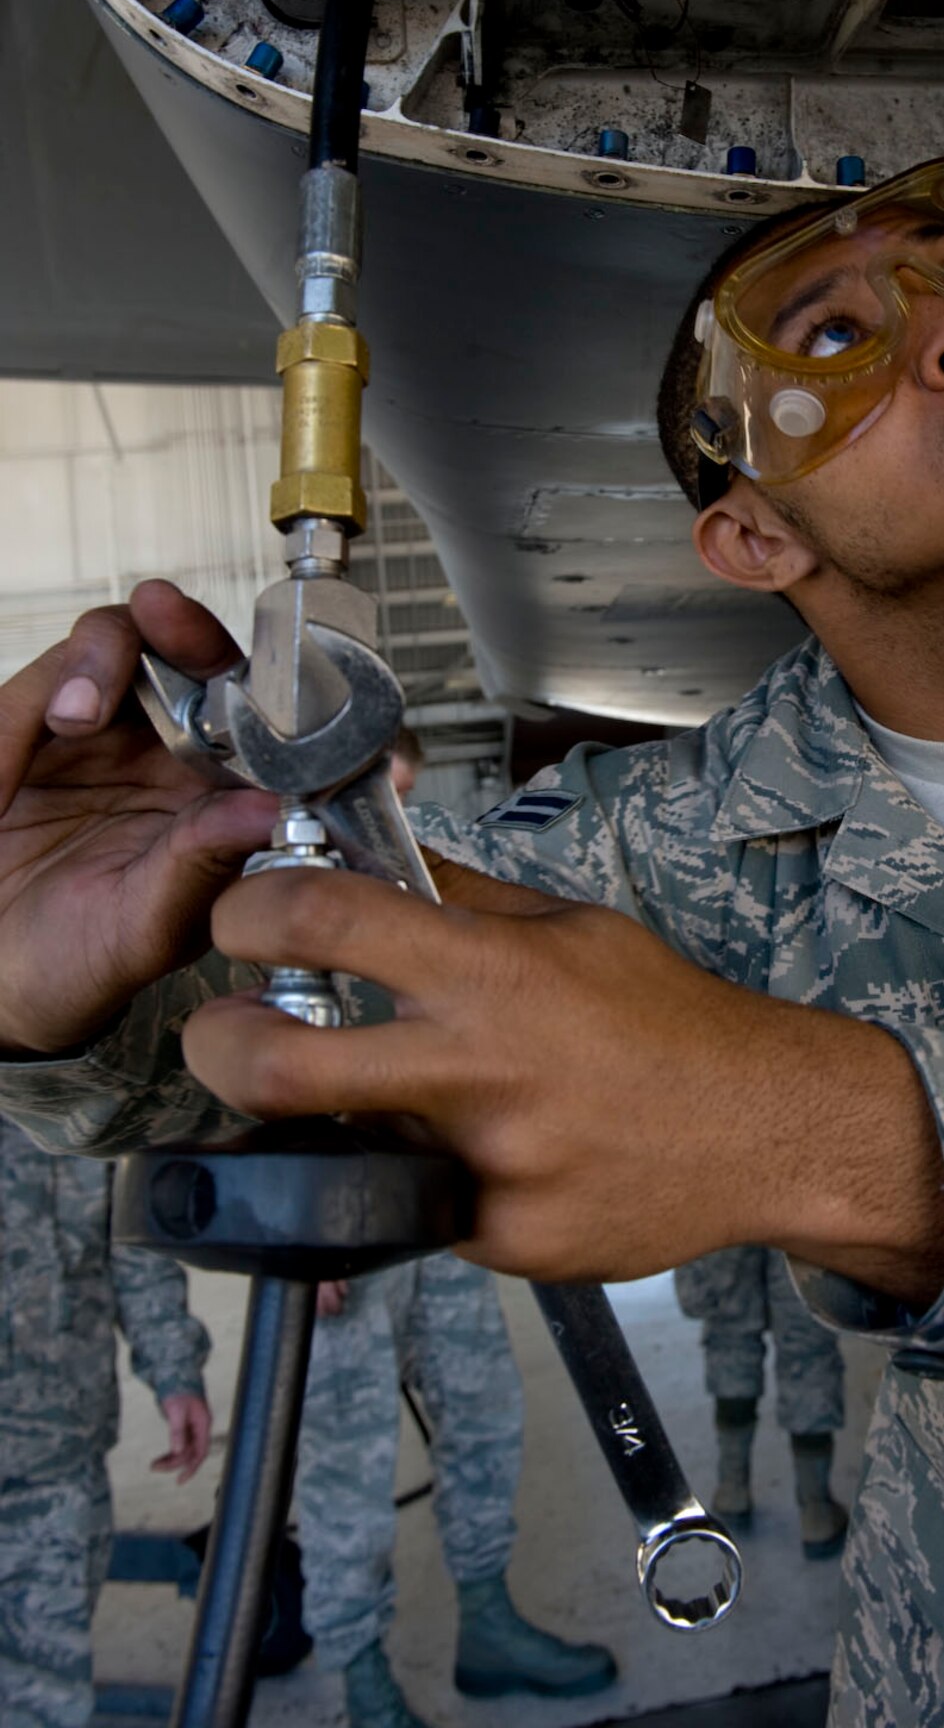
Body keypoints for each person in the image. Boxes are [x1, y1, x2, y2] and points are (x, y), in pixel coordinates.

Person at [0, 154, 944, 1726]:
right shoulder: (672, 836)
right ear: (750, 540)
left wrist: (803, 1133)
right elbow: (314, 1023)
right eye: (832, 337)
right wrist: (66, 999)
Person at [297, 728, 616, 1727]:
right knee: (345, 1462)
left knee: (484, 1415)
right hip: (339, 1220)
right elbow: (246, 1054)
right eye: (372, 794)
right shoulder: (284, 880)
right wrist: (302, 1222)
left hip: (440, 1207)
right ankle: (359, 1674)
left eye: (397, 792)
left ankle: (486, 1623)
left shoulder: (427, 867)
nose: (387, 814)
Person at [0, 1113, 211, 1728]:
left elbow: (133, 1252)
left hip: (58, 1452)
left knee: (48, 1679)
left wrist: (177, 1377)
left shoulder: (72, 1102)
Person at [674, 1244, 849, 1555]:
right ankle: (816, 1510)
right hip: (800, 1205)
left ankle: (732, 1490)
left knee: (731, 1333)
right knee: (807, 1349)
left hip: (727, 1201)